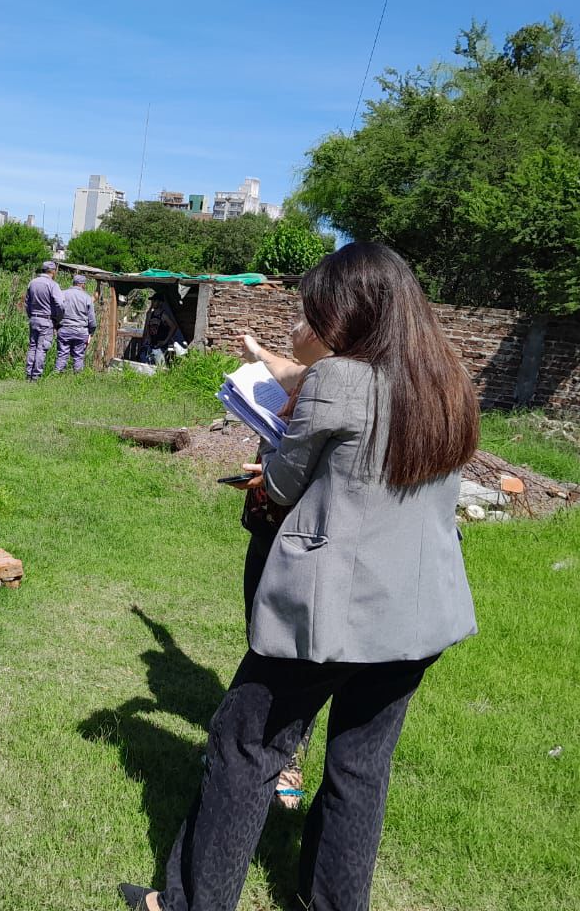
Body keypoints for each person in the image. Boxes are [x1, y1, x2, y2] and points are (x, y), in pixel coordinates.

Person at [119, 242, 480, 911]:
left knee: (244, 745)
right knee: (361, 765)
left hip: (333, 613)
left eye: (322, 309)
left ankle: (192, 903)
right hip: (420, 612)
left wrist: (276, 451)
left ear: (352, 310)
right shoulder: (447, 380)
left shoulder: (337, 378)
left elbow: (284, 485)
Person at [233, 320, 332, 808]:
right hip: (268, 518)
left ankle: (286, 756)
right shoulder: (309, 373)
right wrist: (256, 352)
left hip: (302, 532)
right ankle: (252, 738)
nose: (294, 326)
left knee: (295, 648)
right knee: (259, 628)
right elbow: (286, 368)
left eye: (304, 319)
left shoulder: (337, 386)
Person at [25, 260, 63, 381]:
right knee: (41, 348)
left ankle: (28, 374)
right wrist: (58, 319)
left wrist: (31, 315)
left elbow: (27, 303)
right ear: (53, 271)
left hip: (34, 319)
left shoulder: (32, 282)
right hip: (46, 320)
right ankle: (36, 376)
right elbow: (60, 304)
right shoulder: (52, 284)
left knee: (32, 347)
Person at [54, 274, 97, 373]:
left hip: (64, 329)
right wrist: (91, 332)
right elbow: (92, 319)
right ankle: (77, 376)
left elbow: (56, 311)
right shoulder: (86, 297)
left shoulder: (62, 294)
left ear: (74, 283)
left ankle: (57, 375)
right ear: (82, 284)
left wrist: (56, 326)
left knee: (62, 354)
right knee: (78, 356)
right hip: (81, 330)